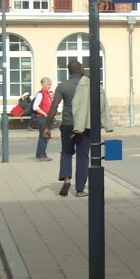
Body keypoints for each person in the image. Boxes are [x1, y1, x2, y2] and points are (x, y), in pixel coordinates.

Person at [68, 69, 113, 197]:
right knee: (89, 156)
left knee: (77, 155)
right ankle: (83, 187)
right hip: (91, 126)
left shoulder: (78, 85)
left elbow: (76, 105)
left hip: (78, 125)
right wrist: (107, 124)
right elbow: (104, 107)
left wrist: (78, 124)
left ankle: (75, 184)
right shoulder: (98, 88)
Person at [45, 61, 84, 196]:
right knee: (83, 155)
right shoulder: (86, 85)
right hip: (83, 124)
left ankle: (66, 179)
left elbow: (53, 107)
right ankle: (80, 189)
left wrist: (48, 127)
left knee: (66, 152)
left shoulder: (62, 86)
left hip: (67, 124)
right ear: (79, 70)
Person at [32, 76, 53, 160]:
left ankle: (41, 153)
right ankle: (41, 154)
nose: (49, 86)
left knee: (46, 136)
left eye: (50, 84)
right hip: (42, 118)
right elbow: (35, 107)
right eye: (48, 84)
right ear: (43, 84)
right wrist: (44, 113)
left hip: (48, 118)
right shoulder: (40, 94)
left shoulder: (48, 94)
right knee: (44, 135)